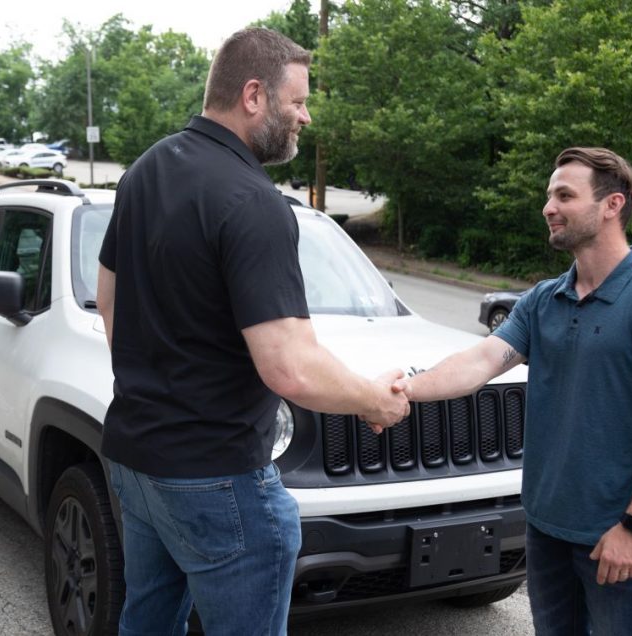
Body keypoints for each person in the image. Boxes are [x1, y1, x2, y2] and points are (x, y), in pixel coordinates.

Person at [96, 27, 410, 636]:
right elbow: (288, 366)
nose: (306, 116)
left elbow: (109, 303)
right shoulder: (252, 200)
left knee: (146, 623)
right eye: (297, 101)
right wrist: (375, 398)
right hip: (219, 476)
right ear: (253, 96)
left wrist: (160, 384)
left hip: (138, 460)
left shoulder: (145, 170)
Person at [400, 147, 632, 634]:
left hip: (617, 534)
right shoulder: (546, 298)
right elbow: (481, 361)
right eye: (549, 195)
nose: (549, 206)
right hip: (546, 526)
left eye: (565, 195)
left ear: (612, 205)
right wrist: (405, 390)